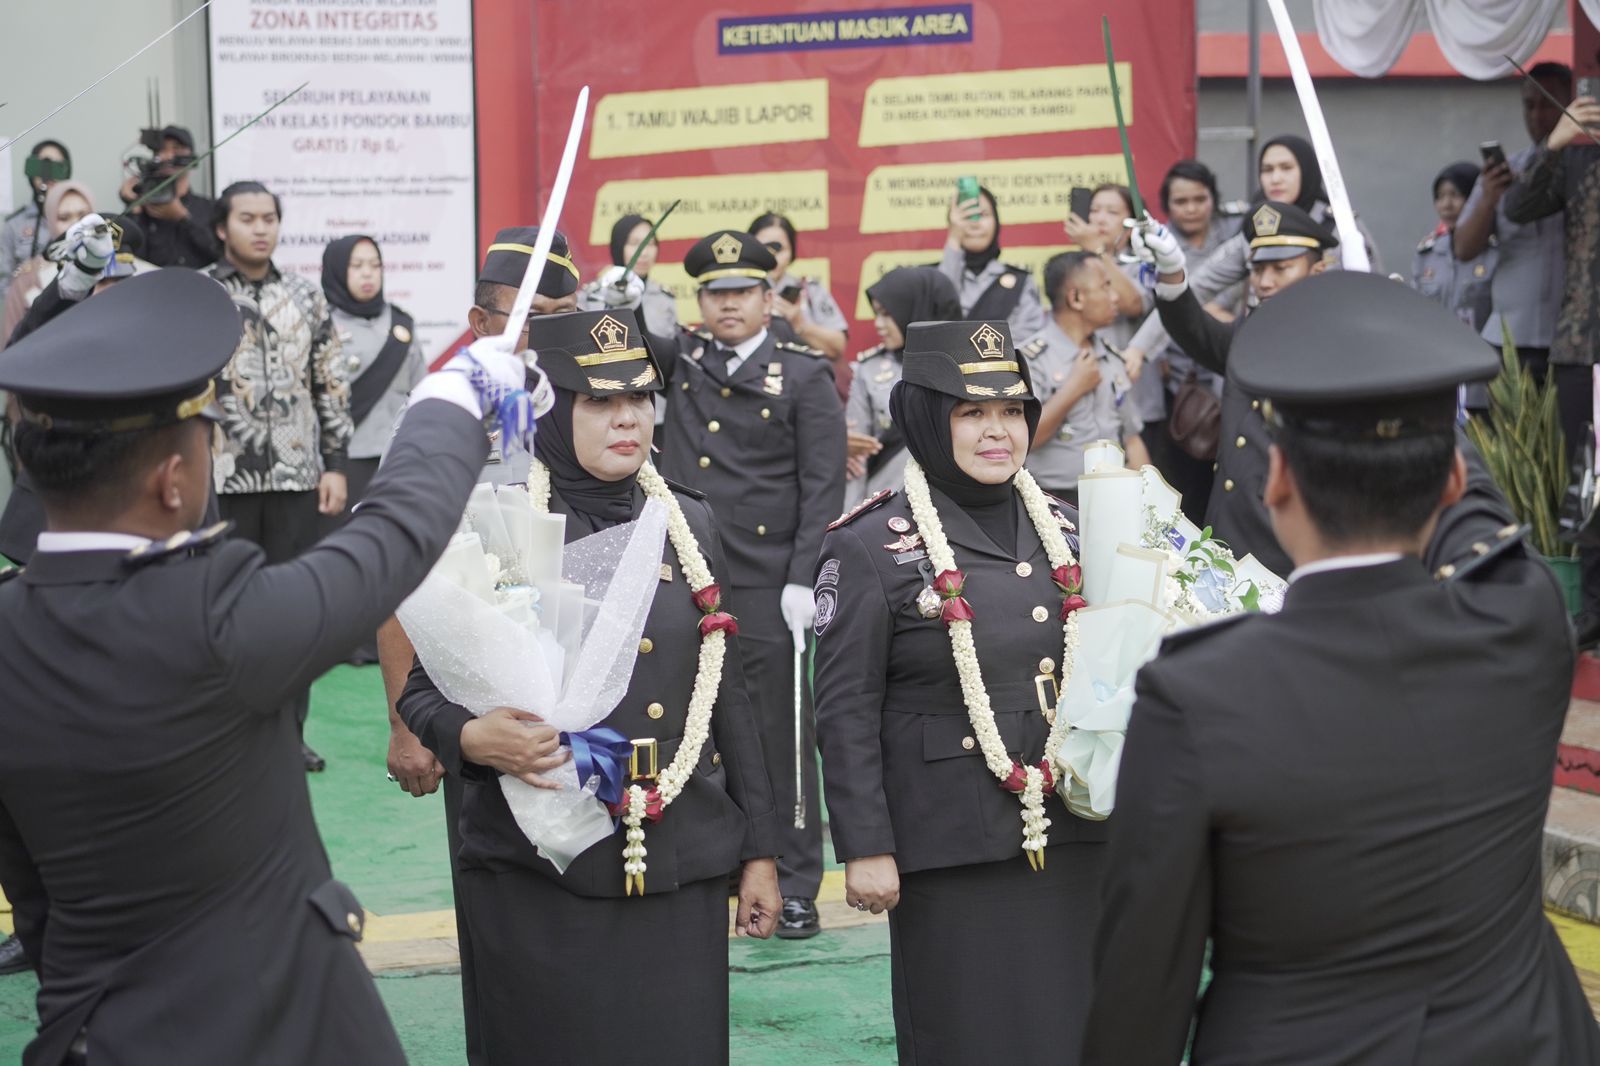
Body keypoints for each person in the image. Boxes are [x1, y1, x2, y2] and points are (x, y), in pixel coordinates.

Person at [0, 266, 528, 1065]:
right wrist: (459, 394)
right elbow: (395, 533)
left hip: (92, 1028)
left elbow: (29, 884)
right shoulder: (215, 614)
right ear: (176, 480)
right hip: (283, 1026)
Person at [1081, 271, 1600, 1066]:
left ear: (1278, 480)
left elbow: (1144, 990)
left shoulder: (1198, 693)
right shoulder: (1523, 619)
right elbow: (1483, 518)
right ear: (1453, 475)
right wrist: (1405, 377)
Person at [398, 308, 782, 1064]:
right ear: (553, 408)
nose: (627, 418)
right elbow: (423, 687)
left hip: (676, 848)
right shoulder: (503, 520)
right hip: (542, 862)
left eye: (639, 398)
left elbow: (729, 694)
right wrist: (470, 738)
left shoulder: (688, 522)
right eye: (600, 401)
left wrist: (762, 851)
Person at [814, 319, 1104, 1063]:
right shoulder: (870, 543)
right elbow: (843, 710)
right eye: (971, 413)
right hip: (948, 840)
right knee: (968, 1032)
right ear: (924, 418)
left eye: (1012, 411)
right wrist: (866, 846)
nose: (997, 432)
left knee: (1074, 1026)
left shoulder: (1069, 528)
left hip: (1071, 831)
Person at [373, 223, 579, 1066]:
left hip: (595, 712)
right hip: (477, 713)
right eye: (529, 318)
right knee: (501, 922)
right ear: (478, 318)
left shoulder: (609, 411)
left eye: (564, 317)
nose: (546, 338)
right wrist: (405, 724)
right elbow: (397, 579)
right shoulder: (440, 419)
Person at [657, 229, 845, 937]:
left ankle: (795, 882)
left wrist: (805, 578)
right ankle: (709, 863)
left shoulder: (801, 374)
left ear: (770, 297)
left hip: (769, 586)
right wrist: (609, 298)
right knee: (687, 722)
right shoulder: (681, 361)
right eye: (714, 292)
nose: (727, 304)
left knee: (778, 735)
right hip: (690, 577)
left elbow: (823, 487)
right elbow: (618, 350)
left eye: (741, 291)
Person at [205, 181, 352, 773]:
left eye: (269, 218)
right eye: (247, 218)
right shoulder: (200, 292)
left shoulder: (305, 296)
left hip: (297, 476)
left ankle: (291, 736)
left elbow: (330, 382)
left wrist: (336, 465)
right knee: (225, 612)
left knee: (293, 614)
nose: (260, 228)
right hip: (222, 478)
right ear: (223, 227)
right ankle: (227, 739)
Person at [1133, 200, 1338, 576]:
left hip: (1292, 538)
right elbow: (1197, 333)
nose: (1265, 280)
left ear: (1318, 269)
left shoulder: (1337, 341)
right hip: (1231, 533)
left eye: (1281, 268)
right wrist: (1173, 274)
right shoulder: (1253, 328)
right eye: (1258, 268)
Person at [1121, 134, 1382, 374]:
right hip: (1260, 354)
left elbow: (1373, 297)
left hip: (1330, 359)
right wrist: (1139, 348)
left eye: (1286, 168)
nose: (1275, 178)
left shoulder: (1343, 229)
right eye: (1267, 170)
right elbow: (1198, 286)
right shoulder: (1256, 229)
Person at [1503, 85, 1600, 649]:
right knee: (1584, 481)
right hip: (1581, 343)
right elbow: (1518, 208)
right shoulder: (1578, 157)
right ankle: (1593, 608)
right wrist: (1555, 144)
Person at [0, 216, 141, 565]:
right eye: (94, 278)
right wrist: (69, 289)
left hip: (130, 515)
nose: (105, 289)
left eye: (116, 279)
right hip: (48, 514)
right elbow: (19, 357)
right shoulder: (53, 329)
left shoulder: (151, 334)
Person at [318, 234, 426, 663]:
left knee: (393, 551)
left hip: (395, 456)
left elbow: (420, 389)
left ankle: (392, 640)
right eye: (357, 265)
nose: (367, 274)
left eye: (374, 265)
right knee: (347, 553)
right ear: (338, 272)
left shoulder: (402, 323)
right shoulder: (322, 323)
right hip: (345, 460)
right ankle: (346, 640)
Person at [1453, 61, 1569, 378]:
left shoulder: (1587, 169)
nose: (1537, 116)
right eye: (1529, 105)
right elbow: (1463, 248)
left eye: (1547, 105)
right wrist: (1490, 198)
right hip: (1509, 338)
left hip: (1573, 342)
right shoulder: (1506, 171)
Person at [1019, 250, 1149, 502]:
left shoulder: (1111, 356)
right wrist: (1073, 389)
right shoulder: (1031, 359)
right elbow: (1024, 440)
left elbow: (1132, 439)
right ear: (1076, 298)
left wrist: (1149, 503)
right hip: (1052, 502)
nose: (1115, 297)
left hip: (1115, 496)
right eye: (1105, 287)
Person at [1155, 160, 1244, 522]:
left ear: (1213, 198)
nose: (1191, 208)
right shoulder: (1158, 243)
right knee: (1184, 488)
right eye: (1181, 201)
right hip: (1180, 383)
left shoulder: (1238, 233)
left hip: (1233, 372)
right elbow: (1152, 305)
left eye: (1199, 198)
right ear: (1167, 205)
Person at [1063, 184, 1162, 471]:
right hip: (1092, 401)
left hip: (1140, 400)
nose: (1100, 219)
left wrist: (1097, 250)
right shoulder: (1075, 266)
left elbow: (1133, 303)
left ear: (1131, 224)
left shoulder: (1144, 262)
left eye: (1112, 211)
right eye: (1094, 210)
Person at [846, 266, 961, 505]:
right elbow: (856, 463)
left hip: (954, 508)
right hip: (888, 510)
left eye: (888, 314)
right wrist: (852, 522)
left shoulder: (967, 368)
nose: (878, 324)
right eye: (876, 313)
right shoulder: (868, 371)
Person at [938, 185, 1049, 343]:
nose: (975, 224)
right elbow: (937, 314)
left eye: (983, 214)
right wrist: (954, 240)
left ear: (996, 221)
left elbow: (1027, 342)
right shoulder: (934, 279)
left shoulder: (1021, 282)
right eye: (966, 216)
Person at [1, 180, 95, 341]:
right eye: (64, 218)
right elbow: (11, 348)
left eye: (84, 216)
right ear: (50, 222)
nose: (76, 225)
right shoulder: (28, 279)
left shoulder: (114, 268)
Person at [750, 212, 848, 364]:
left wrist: (799, 324)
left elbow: (837, 346)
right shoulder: (738, 293)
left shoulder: (809, 290)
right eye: (764, 249)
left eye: (780, 249)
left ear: (792, 252)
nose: (772, 257)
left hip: (802, 381)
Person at [117, 125, 219, 269]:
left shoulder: (208, 207)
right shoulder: (145, 208)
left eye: (177, 149)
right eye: (162, 149)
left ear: (191, 156)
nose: (168, 156)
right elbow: (129, 261)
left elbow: (219, 253)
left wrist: (184, 218)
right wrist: (134, 208)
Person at [1412, 162, 1494, 332]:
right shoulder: (1428, 254)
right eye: (1440, 197)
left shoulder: (1495, 252)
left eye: (1455, 195)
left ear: (1475, 199)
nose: (1446, 205)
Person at [577, 213, 680, 337]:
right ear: (618, 247)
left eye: (650, 243)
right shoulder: (592, 296)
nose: (644, 253)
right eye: (634, 243)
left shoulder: (664, 298)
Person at [0, 140, 70, 304]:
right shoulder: (14, 225)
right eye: (44, 164)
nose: (48, 173)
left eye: (56, 165)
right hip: (27, 314)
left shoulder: (80, 218)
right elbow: (3, 281)